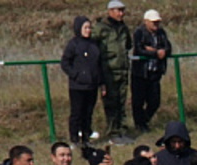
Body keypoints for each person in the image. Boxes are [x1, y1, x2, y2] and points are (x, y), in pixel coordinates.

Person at [61, 17, 105, 145]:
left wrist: (102, 83)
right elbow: (65, 62)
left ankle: (86, 137)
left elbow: (99, 65)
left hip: (92, 86)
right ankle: (74, 138)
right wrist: (76, 75)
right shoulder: (73, 44)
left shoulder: (94, 44)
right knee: (77, 113)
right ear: (79, 29)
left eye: (90, 27)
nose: (88, 30)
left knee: (88, 113)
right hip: (77, 86)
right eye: (85, 28)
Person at [97, 0, 133, 142]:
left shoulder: (123, 28)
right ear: (110, 11)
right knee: (111, 102)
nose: (121, 13)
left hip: (122, 70)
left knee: (121, 102)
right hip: (109, 71)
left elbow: (128, 44)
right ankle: (112, 132)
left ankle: (122, 130)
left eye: (122, 10)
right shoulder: (101, 28)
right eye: (118, 10)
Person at [130, 9, 170, 135]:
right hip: (140, 73)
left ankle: (144, 121)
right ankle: (140, 125)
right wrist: (155, 52)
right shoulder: (139, 32)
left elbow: (168, 47)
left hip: (155, 72)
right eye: (153, 22)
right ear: (146, 22)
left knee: (154, 101)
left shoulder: (161, 33)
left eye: (157, 22)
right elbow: (139, 49)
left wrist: (161, 51)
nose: (156, 25)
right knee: (138, 101)